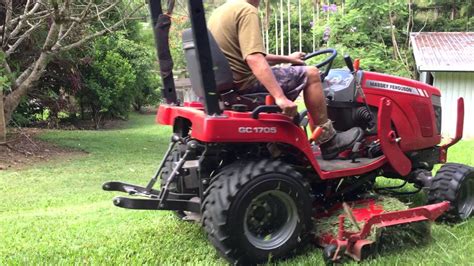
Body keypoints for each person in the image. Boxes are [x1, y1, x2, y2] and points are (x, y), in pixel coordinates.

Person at [208, 0, 363, 160]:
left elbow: (253, 54)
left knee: (304, 72)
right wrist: (280, 97)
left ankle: (289, 147)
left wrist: (288, 58)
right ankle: (329, 140)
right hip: (245, 84)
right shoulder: (246, 10)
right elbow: (254, 58)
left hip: (228, 88)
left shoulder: (221, 12)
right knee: (311, 73)